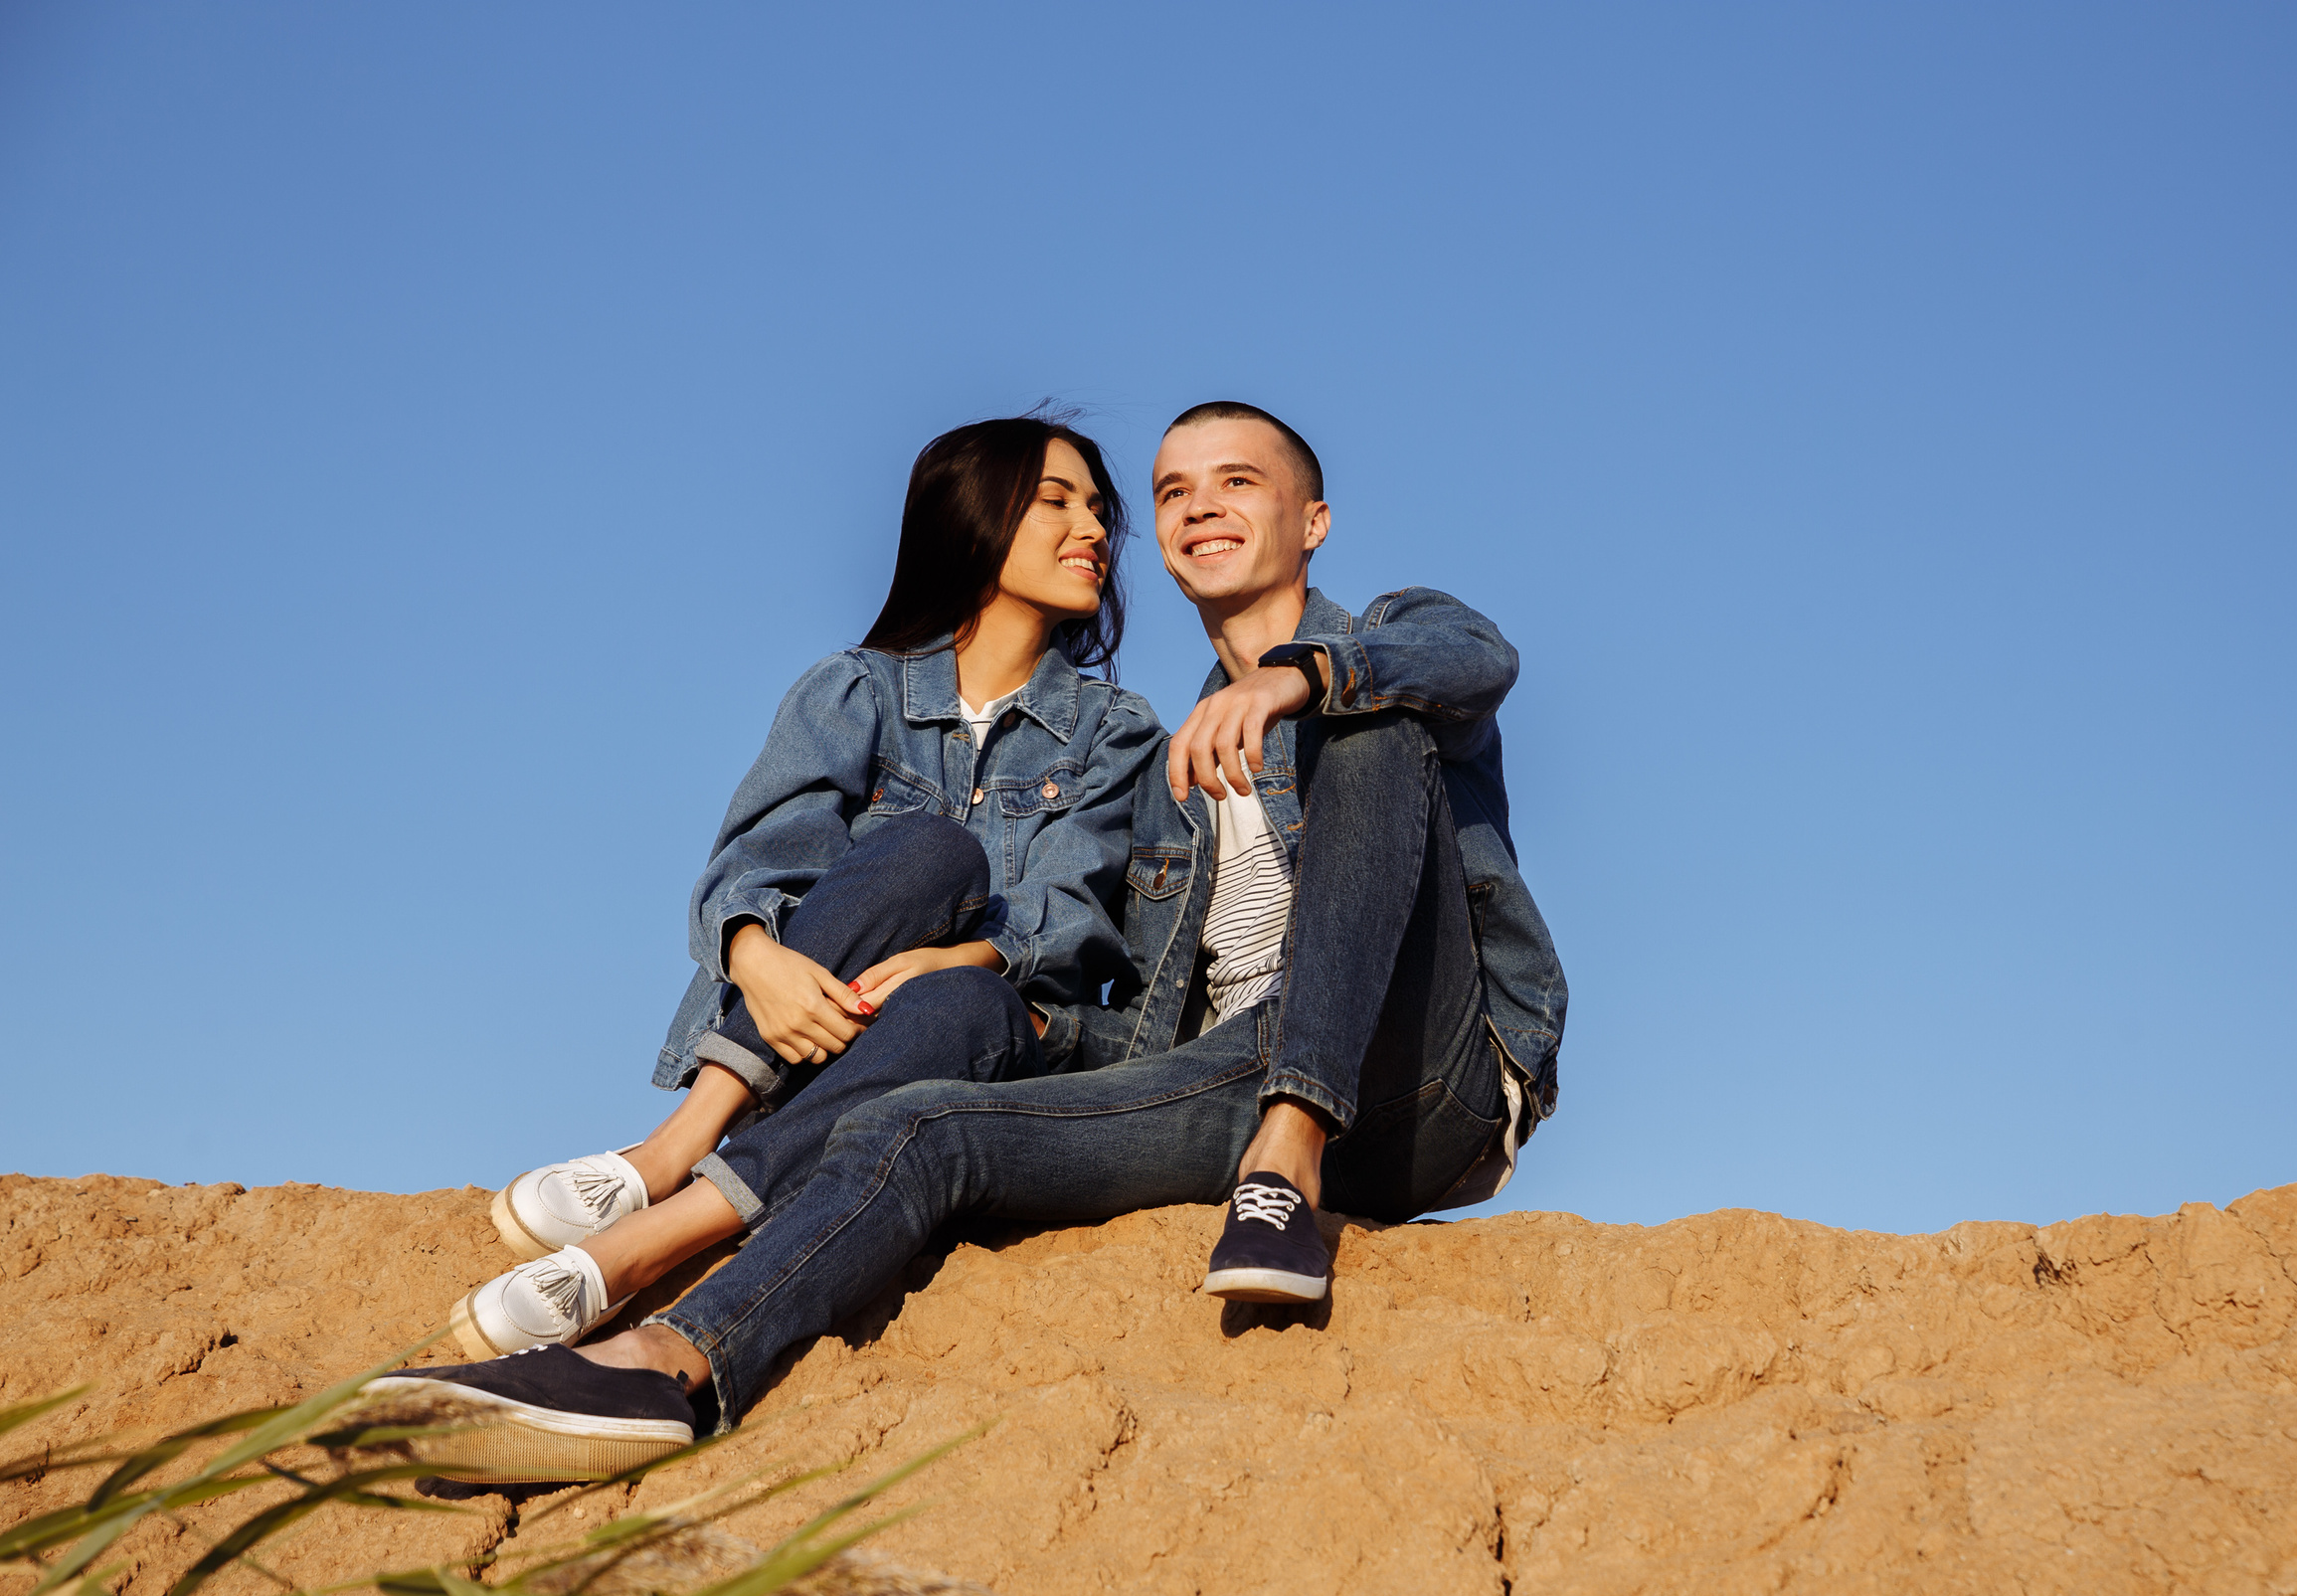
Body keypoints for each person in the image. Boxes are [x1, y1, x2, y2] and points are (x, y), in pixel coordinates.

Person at [360, 403, 1565, 1477]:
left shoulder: (1394, 639)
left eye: (1237, 482)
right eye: (1171, 491)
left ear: (1313, 520)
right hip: (1219, 1077)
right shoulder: (1163, 766)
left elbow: (1478, 658)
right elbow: (1136, 992)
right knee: (919, 1118)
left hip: (1412, 1078)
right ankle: (663, 1362)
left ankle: (1288, 1158)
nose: (1195, 507)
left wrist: (1301, 677)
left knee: (1369, 727)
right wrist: (991, 995)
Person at [442, 413, 1159, 1361]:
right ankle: (669, 1148)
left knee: (967, 998)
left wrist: (958, 957)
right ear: (974, 517)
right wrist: (760, 960)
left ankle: (644, 1243)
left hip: (964, 1052)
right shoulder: (853, 689)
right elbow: (755, 857)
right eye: (1055, 502)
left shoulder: (1118, 732)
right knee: (931, 854)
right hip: (795, 1036)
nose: (1096, 530)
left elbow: (1074, 909)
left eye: (1099, 511)